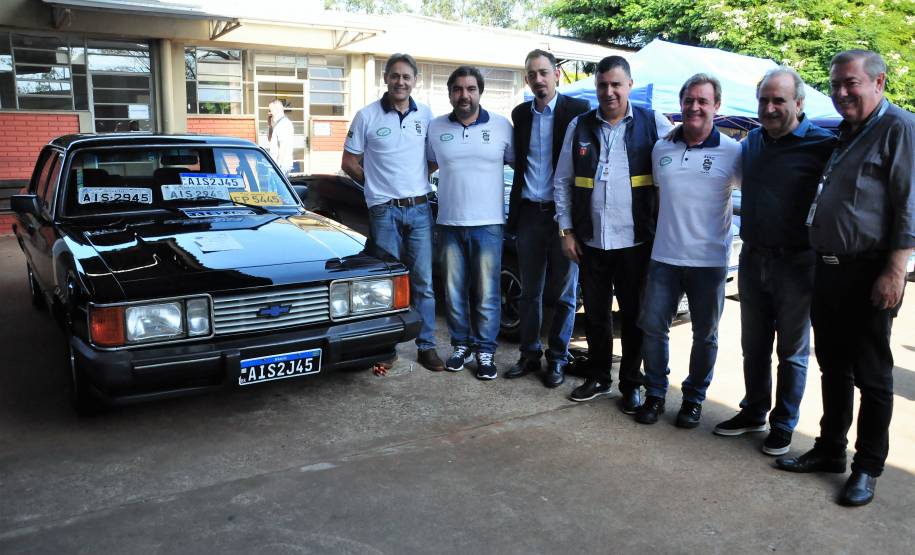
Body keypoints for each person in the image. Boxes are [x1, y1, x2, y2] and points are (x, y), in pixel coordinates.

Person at [775, 50, 914, 507]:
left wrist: (896, 269)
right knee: (833, 367)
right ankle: (831, 449)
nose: (840, 93)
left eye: (850, 83)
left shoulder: (899, 128)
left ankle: (868, 467)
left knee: (872, 376)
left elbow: (909, 205)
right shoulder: (844, 131)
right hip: (829, 269)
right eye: (835, 84)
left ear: (878, 82)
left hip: (871, 271)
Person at [713, 68, 836, 456]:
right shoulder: (751, 142)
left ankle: (783, 424)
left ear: (799, 103)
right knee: (754, 345)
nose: (769, 108)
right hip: (753, 257)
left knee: (793, 352)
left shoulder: (823, 144)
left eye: (779, 100)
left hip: (798, 264)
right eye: (764, 100)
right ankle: (753, 412)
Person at [554, 55, 674, 410]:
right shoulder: (580, 126)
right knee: (594, 314)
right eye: (603, 85)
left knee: (636, 315)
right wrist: (566, 231)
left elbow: (680, 168)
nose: (609, 92)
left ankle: (631, 384)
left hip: (636, 240)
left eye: (616, 84)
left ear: (629, 85)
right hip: (591, 240)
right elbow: (562, 182)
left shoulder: (655, 124)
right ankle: (599, 376)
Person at [634, 73, 741, 428]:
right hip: (664, 257)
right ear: (681, 104)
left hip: (709, 262)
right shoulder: (662, 148)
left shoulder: (733, 151)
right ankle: (655, 394)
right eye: (689, 100)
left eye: (703, 101)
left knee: (705, 335)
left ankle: (693, 400)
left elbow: (755, 193)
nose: (695, 106)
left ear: (717, 107)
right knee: (653, 329)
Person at [341, 53, 444, 372]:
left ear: (415, 81)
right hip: (384, 211)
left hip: (419, 209)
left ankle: (426, 346)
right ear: (385, 78)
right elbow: (348, 162)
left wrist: (414, 180)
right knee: (384, 283)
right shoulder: (366, 116)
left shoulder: (426, 115)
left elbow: (434, 157)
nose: (401, 82)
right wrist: (375, 187)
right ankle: (385, 346)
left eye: (407, 77)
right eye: (395, 76)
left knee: (424, 282)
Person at [504, 49, 590, 388]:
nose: (538, 80)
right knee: (529, 293)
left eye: (544, 72)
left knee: (565, 294)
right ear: (527, 80)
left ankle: (557, 358)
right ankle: (529, 354)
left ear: (555, 74)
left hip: (563, 218)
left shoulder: (577, 111)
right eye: (532, 75)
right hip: (529, 214)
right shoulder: (521, 114)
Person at [426, 66, 515, 380]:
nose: (464, 95)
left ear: (480, 91)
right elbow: (427, 166)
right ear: (450, 93)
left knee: (487, 292)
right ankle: (460, 345)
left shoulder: (503, 127)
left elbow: (519, 166)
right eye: (458, 89)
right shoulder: (435, 128)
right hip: (449, 223)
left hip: (490, 224)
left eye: (471, 89)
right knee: (453, 291)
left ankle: (486, 350)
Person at [268, 99, 294, 175]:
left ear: (277, 110)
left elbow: (283, 146)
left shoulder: (284, 124)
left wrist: (277, 167)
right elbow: (269, 139)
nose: (269, 113)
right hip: (277, 165)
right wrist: (269, 124)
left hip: (281, 166)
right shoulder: (278, 124)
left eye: (270, 110)